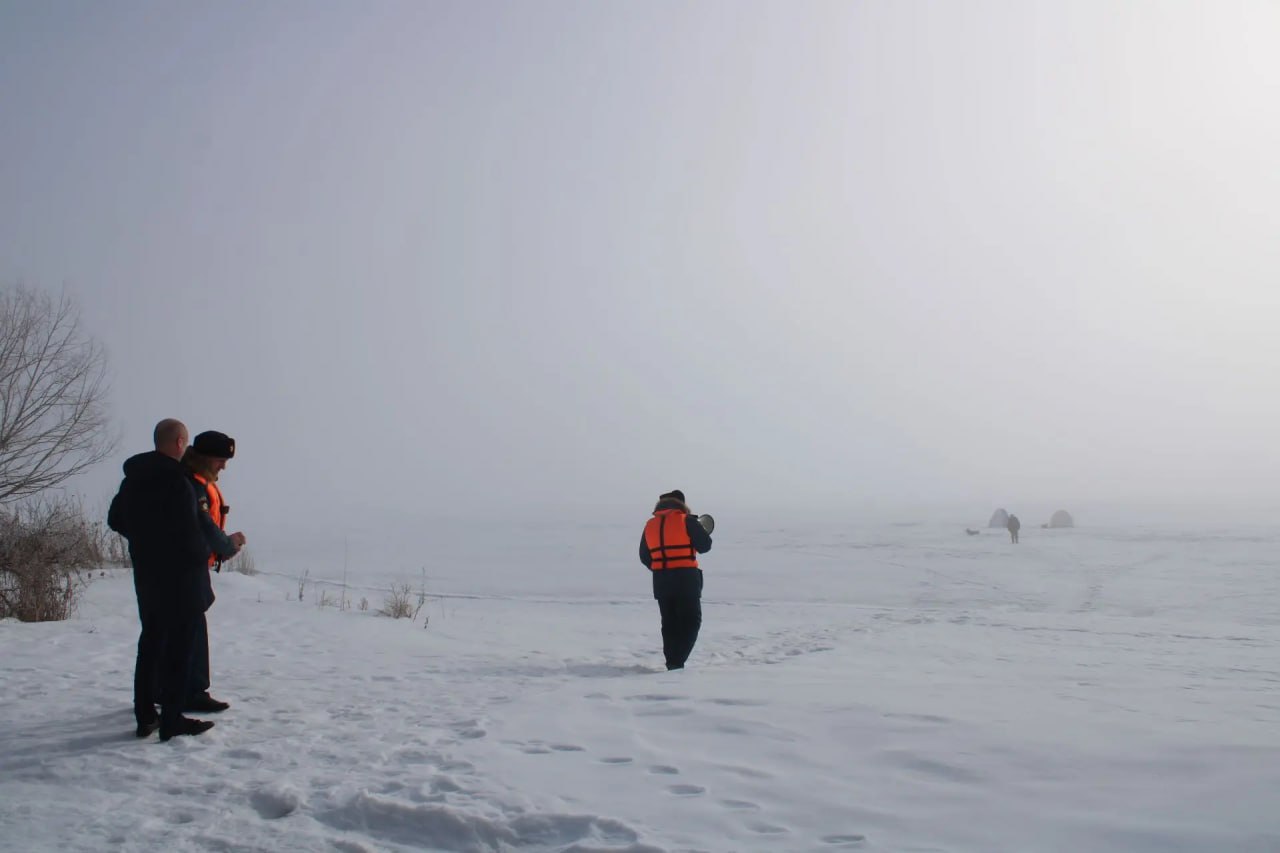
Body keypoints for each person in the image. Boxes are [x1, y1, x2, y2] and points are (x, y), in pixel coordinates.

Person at [107, 419, 217, 741]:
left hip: (147, 575)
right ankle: (171, 720)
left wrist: (144, 540)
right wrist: (203, 555)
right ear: (181, 442)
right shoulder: (178, 481)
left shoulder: (134, 479)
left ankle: (145, 717)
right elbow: (189, 534)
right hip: (179, 578)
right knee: (179, 649)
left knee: (151, 643)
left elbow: (115, 519)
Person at [181, 430, 246, 714]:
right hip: (186, 568)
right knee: (190, 629)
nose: (224, 466)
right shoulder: (192, 486)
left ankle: (169, 689)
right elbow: (204, 526)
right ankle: (192, 691)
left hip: (189, 565)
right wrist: (229, 546)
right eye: (221, 459)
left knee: (179, 629)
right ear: (206, 458)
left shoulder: (192, 482)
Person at [638, 490, 712, 670]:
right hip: (685, 578)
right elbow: (705, 546)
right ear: (681, 504)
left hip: (661, 580)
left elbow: (644, 556)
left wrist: (661, 566)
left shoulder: (650, 524)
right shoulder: (687, 520)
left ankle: (672, 661)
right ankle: (677, 662)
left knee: (669, 623)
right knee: (691, 621)